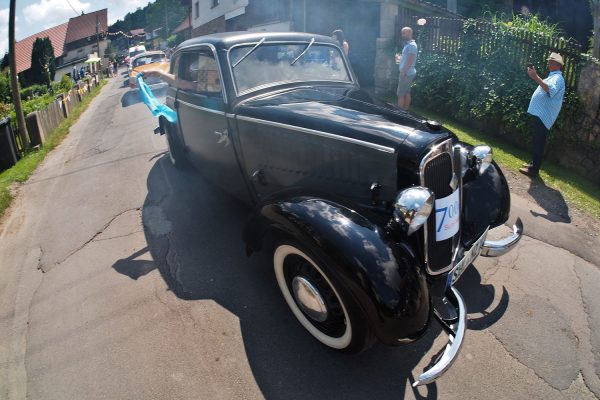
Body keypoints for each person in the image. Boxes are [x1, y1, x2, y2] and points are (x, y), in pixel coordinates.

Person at [519, 52, 565, 177]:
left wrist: (535, 77)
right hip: (541, 114)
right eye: (549, 61)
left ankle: (534, 170)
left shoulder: (557, 78)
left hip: (544, 116)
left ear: (557, 64)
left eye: (551, 61)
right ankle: (533, 165)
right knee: (537, 140)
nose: (548, 63)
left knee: (539, 141)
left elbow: (550, 90)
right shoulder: (553, 76)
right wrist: (535, 77)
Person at [395, 27, 418, 110]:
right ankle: (405, 110)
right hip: (407, 72)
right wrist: (399, 60)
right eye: (402, 33)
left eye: (404, 33)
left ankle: (399, 112)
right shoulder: (407, 45)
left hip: (406, 73)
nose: (402, 35)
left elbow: (410, 60)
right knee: (406, 92)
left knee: (400, 93)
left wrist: (403, 71)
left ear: (410, 33)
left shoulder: (412, 45)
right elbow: (405, 58)